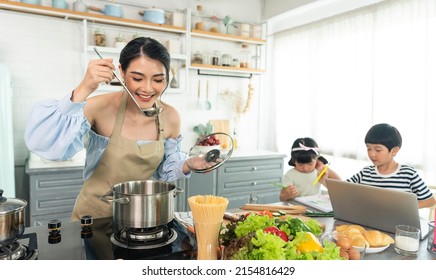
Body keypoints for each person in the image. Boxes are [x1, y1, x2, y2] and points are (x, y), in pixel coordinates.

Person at [24, 37, 208, 221]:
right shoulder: (98, 107)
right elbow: (46, 145)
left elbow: (165, 169)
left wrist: (189, 164)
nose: (148, 88)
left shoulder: (170, 117)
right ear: (121, 72)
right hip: (93, 218)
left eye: (158, 80)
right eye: (137, 78)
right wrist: (84, 88)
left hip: (142, 218)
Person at [347, 123, 436, 209]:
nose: (372, 154)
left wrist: (404, 208)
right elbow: (342, 188)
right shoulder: (366, 172)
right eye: (368, 148)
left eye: (378, 150)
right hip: (368, 221)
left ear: (394, 151)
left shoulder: (408, 174)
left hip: (398, 223)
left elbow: (430, 200)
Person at [279, 137, 341, 201]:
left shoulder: (318, 171)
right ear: (294, 160)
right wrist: (286, 195)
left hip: (315, 207)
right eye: (300, 164)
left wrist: (323, 177)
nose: (305, 168)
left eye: (310, 164)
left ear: (317, 159)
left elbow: (339, 185)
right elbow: (281, 198)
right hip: (297, 207)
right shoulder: (290, 175)